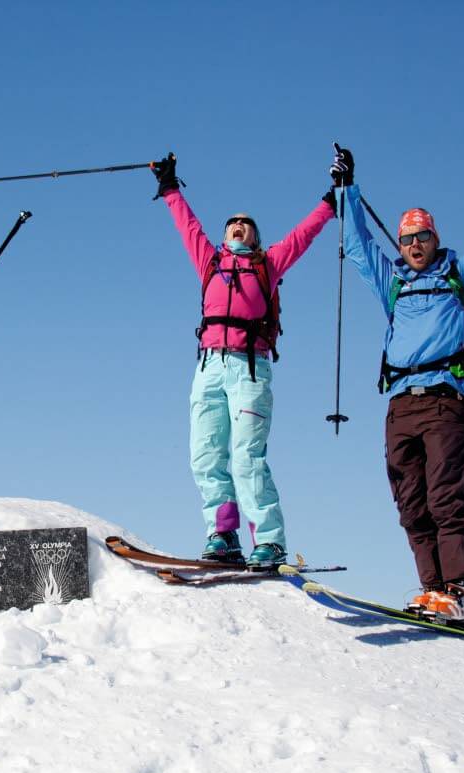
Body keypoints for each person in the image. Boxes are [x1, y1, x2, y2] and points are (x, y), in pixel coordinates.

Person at [333, 120, 464, 624]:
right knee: (410, 501)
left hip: (445, 402)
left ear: (436, 238)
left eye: (422, 236)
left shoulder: (461, 274)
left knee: (445, 495)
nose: (413, 244)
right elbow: (357, 246)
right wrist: (347, 188)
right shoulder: (394, 284)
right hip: (400, 407)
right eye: (408, 237)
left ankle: (461, 590)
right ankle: (433, 589)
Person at [151, 153, 335, 568]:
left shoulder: (268, 264)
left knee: (247, 455)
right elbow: (188, 226)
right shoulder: (210, 262)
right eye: (232, 223)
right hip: (208, 367)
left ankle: (269, 540)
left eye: (246, 223)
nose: (238, 225)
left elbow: (302, 235)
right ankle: (223, 533)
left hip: (249, 368)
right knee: (205, 454)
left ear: (254, 236)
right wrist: (169, 189)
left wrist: (329, 203)